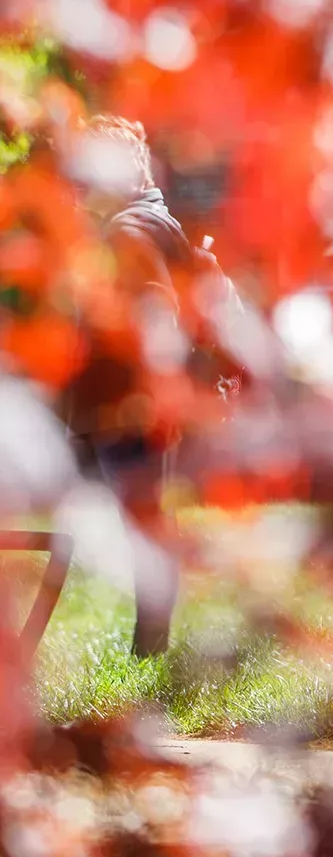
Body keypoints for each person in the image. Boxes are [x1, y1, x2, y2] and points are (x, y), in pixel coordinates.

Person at [60, 114, 195, 656]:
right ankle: (150, 645)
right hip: (151, 397)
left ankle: (149, 649)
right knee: (145, 513)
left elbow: (153, 313)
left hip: (132, 400)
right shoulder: (157, 219)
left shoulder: (129, 230)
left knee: (134, 516)